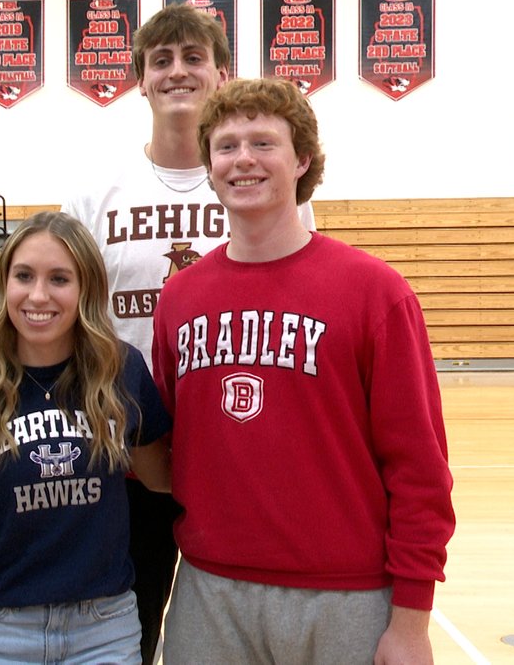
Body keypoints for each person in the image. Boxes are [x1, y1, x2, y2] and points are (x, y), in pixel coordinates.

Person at [150, 77, 456, 664]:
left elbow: (420, 468)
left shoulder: (374, 292)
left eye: (263, 143)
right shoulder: (180, 298)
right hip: (209, 591)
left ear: (302, 161)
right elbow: (163, 447)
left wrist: (412, 622)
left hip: (345, 598)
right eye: (226, 145)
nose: (243, 159)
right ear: (209, 166)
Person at [60, 4, 313, 663]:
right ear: (139, 81)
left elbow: (297, 299)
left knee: (237, 624)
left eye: (193, 57)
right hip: (125, 452)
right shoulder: (95, 191)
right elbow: (72, 321)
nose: (178, 72)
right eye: (161, 60)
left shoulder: (254, 174)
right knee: (131, 623)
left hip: (236, 440)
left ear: (221, 73)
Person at [0, 211, 173, 665]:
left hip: (103, 627)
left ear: (85, 287)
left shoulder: (121, 371)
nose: (38, 295)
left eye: (59, 279)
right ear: (4, 283)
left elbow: (161, 478)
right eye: (23, 276)